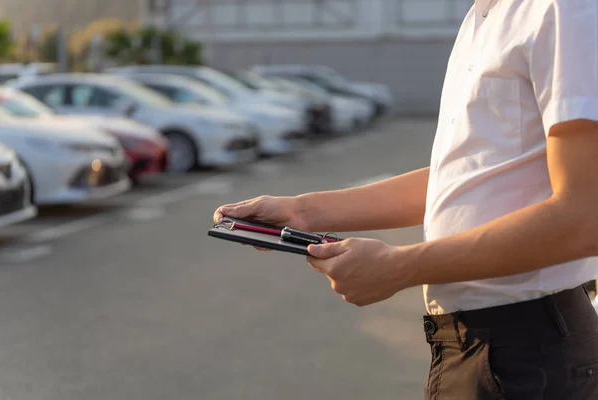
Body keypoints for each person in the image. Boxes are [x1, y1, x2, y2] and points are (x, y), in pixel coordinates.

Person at [214, 0, 598, 398]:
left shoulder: (562, 8)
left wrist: (401, 266)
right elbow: (470, 177)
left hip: (527, 349)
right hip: (483, 345)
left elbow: (585, 217)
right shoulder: (485, 15)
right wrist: (302, 211)